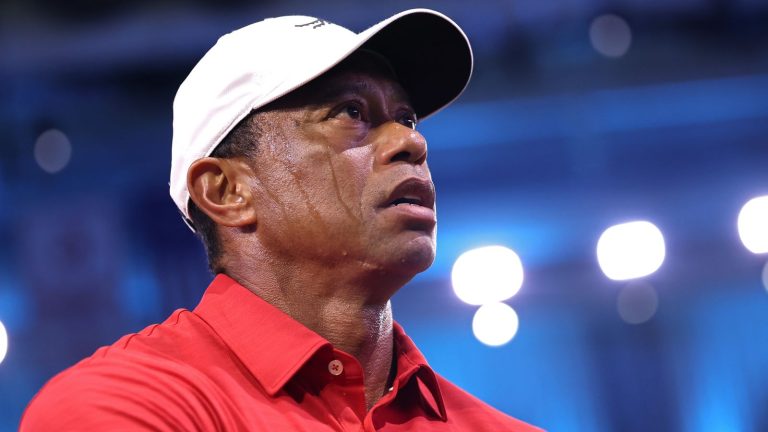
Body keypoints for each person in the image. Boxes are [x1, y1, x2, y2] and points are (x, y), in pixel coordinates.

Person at [21, 9, 541, 431]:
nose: (411, 141)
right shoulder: (122, 407)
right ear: (226, 192)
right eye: (351, 113)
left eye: (405, 118)